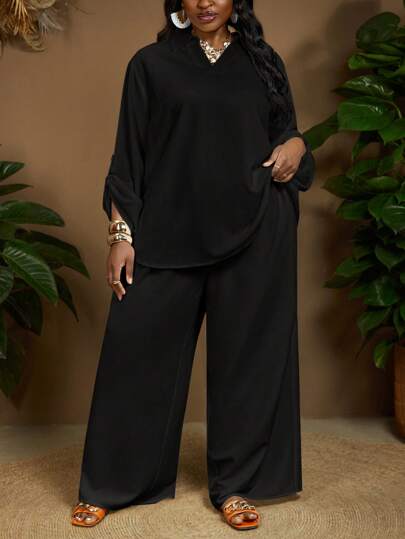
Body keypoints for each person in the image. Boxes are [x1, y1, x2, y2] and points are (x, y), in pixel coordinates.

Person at [71, 0, 315, 531]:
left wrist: (297, 144)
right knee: (136, 356)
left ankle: (236, 486)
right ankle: (112, 482)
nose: (206, 1)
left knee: (246, 363)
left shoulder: (263, 60)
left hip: (255, 228)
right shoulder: (150, 64)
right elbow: (128, 157)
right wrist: (121, 234)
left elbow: (286, 131)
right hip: (166, 233)